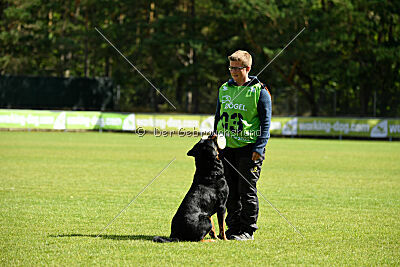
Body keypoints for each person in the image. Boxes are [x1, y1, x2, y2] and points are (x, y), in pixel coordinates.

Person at [213, 50, 272, 241]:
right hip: (226, 149)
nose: (232, 72)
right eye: (230, 68)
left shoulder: (260, 91)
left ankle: (248, 230)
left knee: (246, 190)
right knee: (229, 190)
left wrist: (259, 148)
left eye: (236, 68)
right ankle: (233, 228)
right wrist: (216, 142)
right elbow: (218, 117)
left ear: (247, 68)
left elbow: (266, 124)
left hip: (249, 149)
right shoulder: (224, 89)